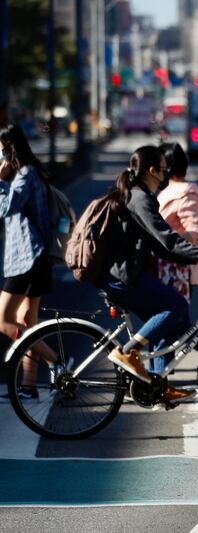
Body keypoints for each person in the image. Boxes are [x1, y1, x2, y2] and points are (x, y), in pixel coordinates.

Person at [96, 145, 198, 403]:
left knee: (172, 321)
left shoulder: (137, 195)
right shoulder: (140, 199)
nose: (165, 174)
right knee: (175, 305)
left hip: (124, 273)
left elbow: (162, 248)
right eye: (162, 169)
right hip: (121, 277)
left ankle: (156, 386)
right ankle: (128, 352)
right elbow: (168, 240)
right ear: (152, 171)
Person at [0, 124, 57, 400]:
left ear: (9, 149)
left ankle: (55, 361)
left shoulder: (24, 175)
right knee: (27, 321)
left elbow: (5, 208)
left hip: (27, 258)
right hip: (35, 257)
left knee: (3, 320)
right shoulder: (30, 173)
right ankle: (28, 386)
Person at [157, 142, 198, 308]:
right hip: (166, 268)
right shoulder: (168, 191)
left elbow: (196, 233)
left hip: (178, 270)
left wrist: (165, 240)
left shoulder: (185, 192)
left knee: (176, 323)